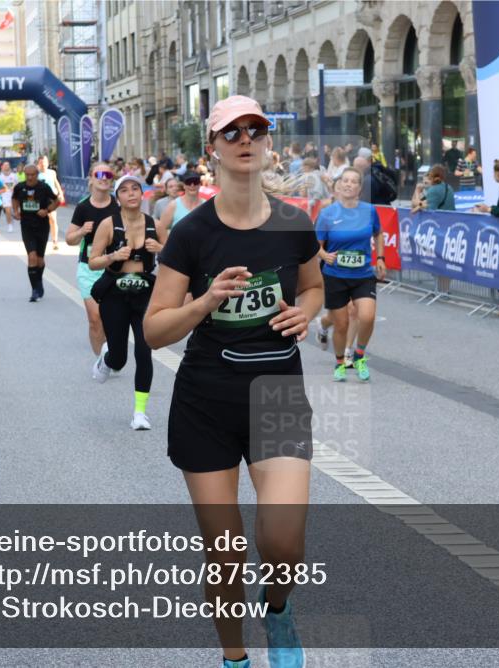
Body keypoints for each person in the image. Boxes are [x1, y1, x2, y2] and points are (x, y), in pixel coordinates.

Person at [144, 94, 323, 668]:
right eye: (232, 132)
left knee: (284, 545)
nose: (246, 139)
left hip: (277, 395)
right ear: (213, 148)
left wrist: (308, 311)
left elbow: (315, 285)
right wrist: (207, 300)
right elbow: (153, 331)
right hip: (206, 400)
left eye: (256, 130)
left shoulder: (295, 222)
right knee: (224, 554)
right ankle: (235, 659)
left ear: (268, 143)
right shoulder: (192, 233)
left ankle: (278, 610)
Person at [87, 174, 165, 430]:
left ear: (142, 194)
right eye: (124, 190)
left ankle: (140, 413)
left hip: (144, 294)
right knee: (120, 359)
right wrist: (112, 256)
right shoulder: (109, 225)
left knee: (144, 351)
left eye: (135, 189)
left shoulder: (155, 224)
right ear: (117, 197)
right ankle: (108, 357)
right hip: (115, 295)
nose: (131, 193)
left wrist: (160, 250)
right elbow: (93, 261)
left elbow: (176, 259)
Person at [314, 167, 385, 382]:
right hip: (335, 275)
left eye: (354, 182)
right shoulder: (327, 214)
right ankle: (339, 363)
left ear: (359, 189)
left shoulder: (369, 211)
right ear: (338, 185)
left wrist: (380, 258)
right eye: (345, 180)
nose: (348, 184)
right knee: (342, 323)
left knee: (367, 316)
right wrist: (324, 255)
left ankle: (359, 355)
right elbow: (315, 245)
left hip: (363, 274)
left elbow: (378, 233)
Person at [66, 162, 119, 356]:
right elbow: (69, 239)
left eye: (108, 174)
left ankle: (112, 352)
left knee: (111, 318)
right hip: (89, 269)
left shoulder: (118, 205)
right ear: (91, 178)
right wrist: (81, 231)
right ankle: (102, 361)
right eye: (99, 174)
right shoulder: (83, 207)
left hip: (115, 268)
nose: (104, 177)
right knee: (95, 319)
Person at [11, 165, 60, 302]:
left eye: (32, 174)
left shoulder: (43, 187)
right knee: (31, 257)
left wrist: (47, 210)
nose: (30, 177)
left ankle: (38, 282)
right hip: (26, 226)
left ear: (37, 174)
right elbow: (14, 199)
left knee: (40, 259)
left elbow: (57, 200)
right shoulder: (19, 187)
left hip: (42, 226)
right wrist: (16, 211)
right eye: (27, 175)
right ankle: (34, 290)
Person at [37, 155, 65, 250]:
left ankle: (55, 241)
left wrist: (60, 193)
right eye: (41, 163)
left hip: (51, 199)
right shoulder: (36, 173)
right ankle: (40, 240)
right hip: (39, 200)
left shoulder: (52, 172)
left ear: (47, 163)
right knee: (40, 221)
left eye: (44, 162)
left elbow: (56, 183)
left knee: (52, 219)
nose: (43, 164)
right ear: (38, 164)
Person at [0, 162, 19, 232]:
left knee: (13, 210)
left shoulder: (14, 176)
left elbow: (17, 185)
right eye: (5, 165)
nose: (6, 166)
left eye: (7, 165)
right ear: (2, 167)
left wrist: (14, 188)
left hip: (13, 195)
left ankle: (11, 218)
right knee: (8, 210)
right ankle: (9, 225)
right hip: (5, 196)